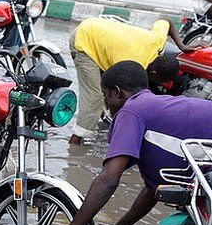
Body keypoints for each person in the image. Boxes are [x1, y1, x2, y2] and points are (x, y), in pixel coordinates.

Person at [57, 61, 212, 225]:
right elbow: (152, 191)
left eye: (105, 95)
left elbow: (108, 180)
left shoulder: (131, 111)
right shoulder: (155, 109)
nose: (106, 104)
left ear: (117, 92)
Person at [67, 17, 191, 145]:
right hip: (84, 39)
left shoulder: (158, 41)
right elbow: (118, 94)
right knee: (94, 96)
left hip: (100, 30)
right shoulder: (131, 65)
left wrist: (182, 46)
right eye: (162, 82)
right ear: (153, 74)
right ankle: (75, 140)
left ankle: (99, 120)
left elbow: (166, 20)